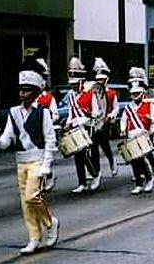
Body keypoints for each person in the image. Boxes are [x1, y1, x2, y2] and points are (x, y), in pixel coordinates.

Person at [0, 70, 59, 254]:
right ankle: (34, 237)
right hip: (21, 161)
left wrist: (47, 164)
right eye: (21, 90)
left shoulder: (43, 113)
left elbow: (50, 139)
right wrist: (0, 143)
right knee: (25, 203)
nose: (23, 93)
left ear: (36, 92)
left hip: (37, 160)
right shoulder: (13, 112)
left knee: (32, 197)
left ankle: (50, 222)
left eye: (27, 90)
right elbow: (9, 136)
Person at [65, 57, 101, 193]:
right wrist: (68, 123)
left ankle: (95, 175)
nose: (73, 86)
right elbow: (70, 113)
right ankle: (82, 182)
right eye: (72, 84)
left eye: (75, 83)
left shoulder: (90, 93)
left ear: (81, 81)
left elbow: (97, 112)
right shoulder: (71, 96)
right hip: (76, 128)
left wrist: (88, 115)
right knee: (78, 156)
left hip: (89, 127)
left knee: (90, 154)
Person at [120, 67, 154, 195]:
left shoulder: (149, 105)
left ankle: (149, 178)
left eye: (137, 93)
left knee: (142, 159)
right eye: (134, 93)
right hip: (132, 136)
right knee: (134, 161)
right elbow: (124, 120)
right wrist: (122, 130)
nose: (135, 95)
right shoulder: (128, 107)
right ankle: (138, 183)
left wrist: (153, 130)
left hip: (144, 135)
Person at [34, 58, 59, 192]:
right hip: (34, 133)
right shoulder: (31, 99)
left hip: (46, 132)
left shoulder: (49, 98)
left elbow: (56, 115)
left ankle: (49, 177)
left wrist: (47, 119)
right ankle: (39, 181)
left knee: (46, 156)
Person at [91, 58, 118, 177]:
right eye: (98, 80)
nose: (100, 81)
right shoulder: (93, 92)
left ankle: (112, 162)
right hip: (94, 123)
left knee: (105, 146)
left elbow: (115, 108)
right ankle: (96, 171)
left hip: (105, 122)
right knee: (94, 147)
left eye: (102, 79)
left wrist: (110, 116)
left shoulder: (112, 93)